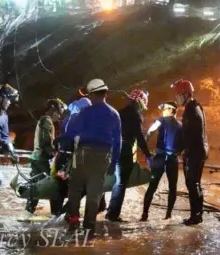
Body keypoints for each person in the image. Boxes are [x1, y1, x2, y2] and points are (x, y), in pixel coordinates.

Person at [66, 78, 122, 237]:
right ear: (105, 93)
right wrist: (113, 163)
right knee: (94, 191)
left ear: (91, 95)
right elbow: (118, 142)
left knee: (75, 187)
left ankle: (74, 220)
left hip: (83, 153)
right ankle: (89, 227)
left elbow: (70, 132)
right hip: (103, 156)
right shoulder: (114, 114)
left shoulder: (85, 112)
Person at [106, 88, 153, 222]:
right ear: (140, 102)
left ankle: (110, 211)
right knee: (121, 183)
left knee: (117, 181)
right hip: (124, 149)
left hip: (113, 148)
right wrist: (148, 156)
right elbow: (139, 136)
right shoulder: (135, 115)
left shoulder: (119, 112)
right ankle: (113, 215)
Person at [172, 79, 208, 226]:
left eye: (178, 95)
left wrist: (179, 150)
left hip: (194, 152)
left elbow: (189, 134)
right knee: (195, 183)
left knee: (192, 183)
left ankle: (196, 216)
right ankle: (197, 213)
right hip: (199, 150)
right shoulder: (195, 107)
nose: (176, 98)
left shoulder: (191, 110)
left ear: (185, 94)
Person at [140, 101, 182, 221]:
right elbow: (183, 143)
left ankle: (145, 214)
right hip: (173, 159)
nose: (162, 111)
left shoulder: (161, 120)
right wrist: (177, 152)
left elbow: (151, 131)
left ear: (170, 110)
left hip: (159, 157)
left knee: (152, 186)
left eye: (164, 109)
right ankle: (168, 215)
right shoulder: (180, 125)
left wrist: (146, 140)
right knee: (172, 187)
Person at [50, 97, 92, 216]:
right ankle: (66, 213)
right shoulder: (81, 121)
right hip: (71, 160)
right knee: (82, 188)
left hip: (60, 158)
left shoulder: (67, 119)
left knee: (60, 188)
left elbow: (61, 138)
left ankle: (55, 215)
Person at [28, 98, 67, 214]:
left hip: (36, 157)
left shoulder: (42, 119)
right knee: (52, 185)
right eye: (59, 113)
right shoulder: (47, 120)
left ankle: (29, 211)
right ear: (52, 109)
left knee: (35, 186)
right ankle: (56, 213)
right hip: (42, 159)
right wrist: (54, 153)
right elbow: (46, 141)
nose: (59, 116)